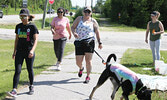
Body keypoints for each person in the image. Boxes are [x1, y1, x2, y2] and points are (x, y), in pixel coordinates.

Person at [7, 8, 39, 97]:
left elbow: (36, 40)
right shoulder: (18, 26)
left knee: (30, 69)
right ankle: (14, 90)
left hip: (29, 52)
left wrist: (32, 51)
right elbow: (16, 39)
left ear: (28, 17)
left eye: (24, 16)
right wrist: (14, 52)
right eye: (20, 16)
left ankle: (31, 86)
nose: (22, 18)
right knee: (17, 70)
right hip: (19, 52)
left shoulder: (32, 27)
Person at [71, 6, 102, 83]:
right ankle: (81, 68)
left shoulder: (93, 21)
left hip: (89, 42)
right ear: (83, 12)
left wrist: (99, 42)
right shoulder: (79, 19)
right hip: (79, 42)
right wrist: (74, 33)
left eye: (89, 12)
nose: (87, 13)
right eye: (85, 11)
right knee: (78, 62)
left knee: (88, 61)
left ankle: (88, 76)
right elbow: (73, 27)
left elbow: (97, 32)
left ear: (91, 13)